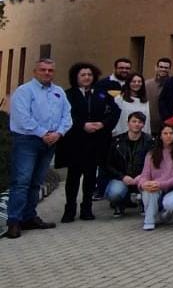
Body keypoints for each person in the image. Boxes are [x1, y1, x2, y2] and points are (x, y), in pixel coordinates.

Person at [5, 58, 72, 238]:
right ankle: (14, 221)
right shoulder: (24, 91)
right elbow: (22, 117)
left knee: (36, 182)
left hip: (50, 141)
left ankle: (29, 217)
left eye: (50, 70)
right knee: (21, 181)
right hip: (27, 140)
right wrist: (43, 133)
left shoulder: (59, 92)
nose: (47, 73)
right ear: (35, 71)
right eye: (43, 70)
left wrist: (58, 133)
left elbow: (67, 116)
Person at [59, 62, 118, 223]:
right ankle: (70, 209)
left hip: (95, 142)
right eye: (83, 75)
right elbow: (65, 115)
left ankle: (87, 208)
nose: (86, 78)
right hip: (75, 141)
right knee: (73, 177)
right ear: (76, 77)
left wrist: (103, 124)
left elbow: (114, 112)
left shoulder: (101, 93)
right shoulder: (68, 94)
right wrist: (82, 125)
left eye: (89, 75)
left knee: (91, 176)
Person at [135, 122, 173, 230]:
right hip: (154, 188)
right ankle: (150, 219)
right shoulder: (151, 154)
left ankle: (166, 213)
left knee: (171, 204)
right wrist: (143, 184)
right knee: (148, 190)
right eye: (165, 133)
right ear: (160, 136)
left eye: (171, 133)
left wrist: (161, 184)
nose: (168, 136)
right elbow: (145, 174)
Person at [103, 111, 153, 217]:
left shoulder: (150, 141)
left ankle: (144, 203)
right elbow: (108, 164)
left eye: (140, 122)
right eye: (133, 121)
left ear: (143, 124)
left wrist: (143, 176)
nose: (136, 124)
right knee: (114, 193)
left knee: (149, 187)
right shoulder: (116, 141)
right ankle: (119, 204)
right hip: (122, 178)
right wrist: (122, 177)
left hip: (142, 177)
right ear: (128, 123)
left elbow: (154, 163)